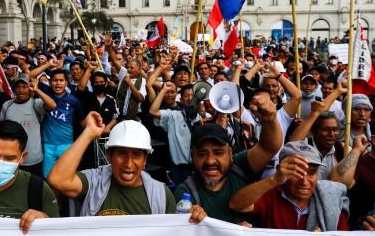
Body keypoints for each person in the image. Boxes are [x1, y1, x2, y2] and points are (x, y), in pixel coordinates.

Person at [47, 112, 206, 223]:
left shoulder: (161, 195)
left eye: (136, 155)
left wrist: (191, 219)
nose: (128, 164)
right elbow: (57, 179)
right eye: (122, 154)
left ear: (145, 160)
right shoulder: (93, 182)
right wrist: (89, 133)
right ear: (109, 156)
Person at [174, 92, 282, 224]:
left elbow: (269, 147)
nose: (210, 161)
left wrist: (270, 120)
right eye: (202, 154)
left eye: (218, 152)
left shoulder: (240, 165)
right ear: (192, 156)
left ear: (230, 154)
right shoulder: (186, 193)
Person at [229, 141, 350, 231]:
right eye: (297, 172)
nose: (304, 181)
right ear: (281, 171)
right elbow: (236, 204)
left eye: (311, 173)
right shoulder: (271, 194)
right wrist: (274, 179)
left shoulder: (330, 199)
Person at [29, 61, 84, 178]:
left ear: (66, 83)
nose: (58, 83)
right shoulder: (46, 91)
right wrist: (48, 64)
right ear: (50, 82)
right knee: (48, 178)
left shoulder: (74, 101)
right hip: (47, 145)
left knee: (66, 178)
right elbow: (31, 75)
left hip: (67, 145)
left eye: (61, 80)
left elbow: (82, 122)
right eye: (55, 80)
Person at [0, 74, 56, 176]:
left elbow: (52, 105)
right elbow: (1, 129)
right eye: (18, 87)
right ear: (14, 89)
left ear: (29, 89)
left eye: (24, 87)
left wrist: (37, 90)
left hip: (34, 160)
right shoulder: (7, 105)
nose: (21, 90)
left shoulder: (35, 103)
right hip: (13, 159)